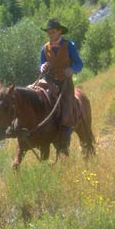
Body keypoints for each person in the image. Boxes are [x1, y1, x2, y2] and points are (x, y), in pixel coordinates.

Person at [39, 18, 83, 155]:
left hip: (66, 84)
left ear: (59, 32)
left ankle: (64, 141)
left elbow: (79, 64)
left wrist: (72, 69)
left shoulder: (69, 45)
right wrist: (42, 67)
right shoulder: (44, 48)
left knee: (66, 112)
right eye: (49, 32)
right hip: (50, 84)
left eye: (53, 32)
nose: (50, 34)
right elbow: (41, 65)